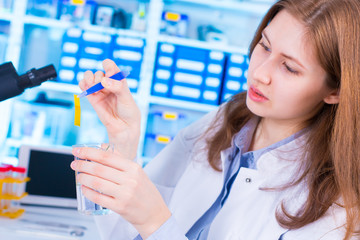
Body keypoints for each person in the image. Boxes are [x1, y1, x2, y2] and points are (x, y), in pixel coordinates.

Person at [70, 0, 360, 239]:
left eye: (289, 67)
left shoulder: (338, 208)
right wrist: (123, 143)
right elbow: (120, 233)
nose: (260, 73)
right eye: (265, 46)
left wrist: (156, 223)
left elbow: (150, 224)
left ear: (335, 90)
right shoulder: (223, 121)